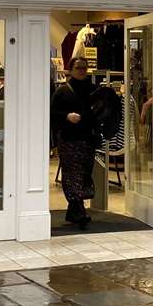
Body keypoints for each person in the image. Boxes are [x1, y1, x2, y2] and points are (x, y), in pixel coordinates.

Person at [51, 57, 98, 227]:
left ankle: (75, 209)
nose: (82, 71)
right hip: (69, 138)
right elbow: (52, 114)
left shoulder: (92, 90)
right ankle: (78, 209)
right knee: (72, 173)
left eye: (84, 68)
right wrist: (66, 117)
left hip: (87, 138)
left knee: (84, 171)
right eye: (78, 68)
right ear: (71, 70)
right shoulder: (62, 92)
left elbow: (98, 113)